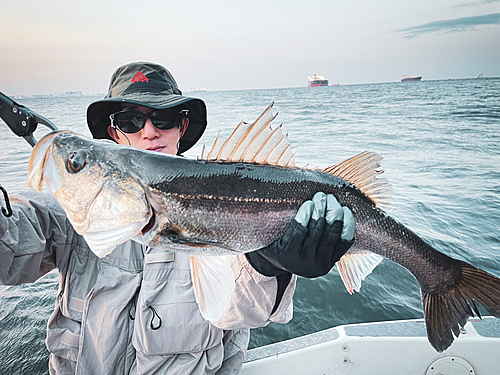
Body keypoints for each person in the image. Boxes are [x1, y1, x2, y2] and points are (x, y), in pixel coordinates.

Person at [0, 62, 355, 375]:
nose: (149, 131)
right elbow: (13, 246)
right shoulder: (72, 209)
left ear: (182, 127)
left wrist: (268, 265)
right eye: (131, 120)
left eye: (164, 118)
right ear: (114, 133)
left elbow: (242, 312)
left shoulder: (229, 200)